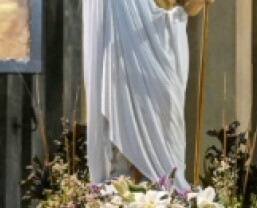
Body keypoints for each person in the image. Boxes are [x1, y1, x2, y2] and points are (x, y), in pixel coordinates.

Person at [83, 0, 215, 188]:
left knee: (165, 121)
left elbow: (186, 6)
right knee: (124, 108)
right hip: (123, 35)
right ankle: (125, 186)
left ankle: (162, 187)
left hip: (161, 36)